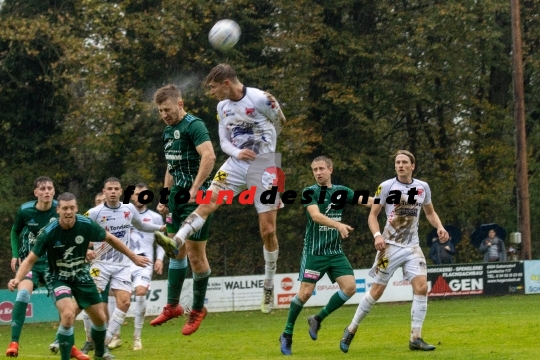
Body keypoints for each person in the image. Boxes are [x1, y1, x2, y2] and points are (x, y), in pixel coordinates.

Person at [156, 64, 287, 314]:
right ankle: (177, 241)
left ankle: (269, 284)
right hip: (236, 163)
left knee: (268, 231)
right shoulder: (222, 107)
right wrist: (239, 151)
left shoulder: (261, 98)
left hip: (265, 167)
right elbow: (224, 142)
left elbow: (281, 121)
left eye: (214, 88)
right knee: (208, 202)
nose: (212, 93)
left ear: (226, 83)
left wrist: (268, 149)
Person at [7, 192, 151, 360]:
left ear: (76, 209)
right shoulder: (48, 232)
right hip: (58, 277)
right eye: (65, 208)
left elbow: (111, 239)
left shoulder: (86, 224)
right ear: (58, 210)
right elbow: (30, 259)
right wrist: (17, 279)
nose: (68, 212)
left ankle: (100, 352)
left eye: (72, 208)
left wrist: (133, 257)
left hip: (81, 276)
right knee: (68, 315)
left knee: (100, 319)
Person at [340, 150, 449, 353]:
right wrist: (377, 236)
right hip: (388, 248)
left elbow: (430, 212)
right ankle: (351, 329)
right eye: (397, 162)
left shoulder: (422, 187)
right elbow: (373, 216)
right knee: (376, 291)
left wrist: (440, 227)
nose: (400, 165)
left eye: (404, 162)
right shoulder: (387, 186)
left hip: (412, 248)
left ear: (412, 166)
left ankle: (415, 338)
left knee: (422, 287)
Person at [279, 156, 373, 355]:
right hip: (314, 253)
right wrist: (338, 224)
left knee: (349, 288)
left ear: (331, 169)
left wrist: (393, 202)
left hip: (335, 252)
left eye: (321, 168)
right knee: (304, 293)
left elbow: (368, 202)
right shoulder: (309, 192)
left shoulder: (341, 191)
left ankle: (317, 318)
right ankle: (287, 334)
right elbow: (315, 216)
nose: (318, 172)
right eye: (315, 169)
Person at [150, 84, 216, 335]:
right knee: (174, 252)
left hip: (197, 199)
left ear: (180, 104)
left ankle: (198, 309)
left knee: (196, 257)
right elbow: (170, 167)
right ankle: (172, 306)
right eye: (159, 111)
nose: (164, 115)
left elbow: (209, 156)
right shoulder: (168, 131)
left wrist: (196, 187)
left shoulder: (194, 125)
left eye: (167, 109)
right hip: (177, 199)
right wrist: (165, 196)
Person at [81, 178, 166, 356]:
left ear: (121, 192)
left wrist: (161, 227)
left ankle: (105, 340)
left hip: (122, 264)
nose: (113, 192)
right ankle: (90, 339)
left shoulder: (128, 209)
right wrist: (84, 251)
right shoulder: (94, 213)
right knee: (93, 303)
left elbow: (141, 225)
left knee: (125, 302)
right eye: (109, 189)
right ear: (104, 191)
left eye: (116, 189)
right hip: (100, 263)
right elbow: (78, 233)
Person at [5, 177, 87, 360]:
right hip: (31, 262)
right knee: (23, 294)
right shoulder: (26, 210)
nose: (47, 191)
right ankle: (14, 343)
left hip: (54, 264)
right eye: (42, 189)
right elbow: (14, 231)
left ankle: (69, 345)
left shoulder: (60, 208)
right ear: (36, 193)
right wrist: (15, 253)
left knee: (66, 305)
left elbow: (72, 230)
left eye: (50, 188)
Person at [107, 183, 165, 350]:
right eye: (137, 194)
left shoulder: (155, 217)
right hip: (123, 262)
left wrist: (160, 259)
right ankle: (115, 336)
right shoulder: (122, 213)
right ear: (132, 196)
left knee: (140, 292)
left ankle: (137, 337)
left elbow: (161, 242)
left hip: (144, 262)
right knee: (113, 295)